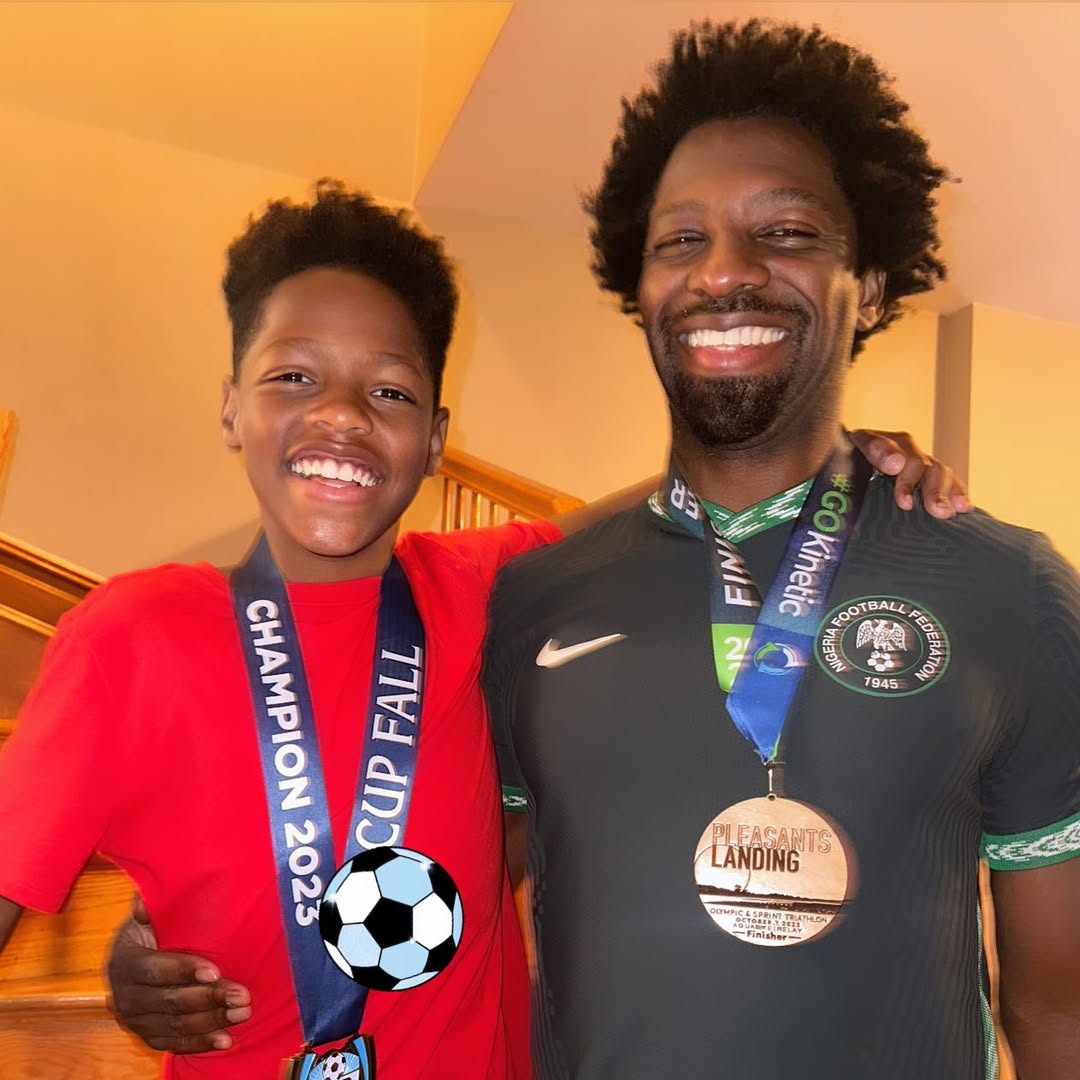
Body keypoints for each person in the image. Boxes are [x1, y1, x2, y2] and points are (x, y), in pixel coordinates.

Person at [0, 179, 955, 1077]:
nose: (340, 416)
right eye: (293, 376)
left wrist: (825, 460)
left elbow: (674, 509)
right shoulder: (128, 637)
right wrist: (139, 942)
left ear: (438, 439)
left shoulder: (485, 588)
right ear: (230, 408)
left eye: (389, 392)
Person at [483, 19, 1080, 1080]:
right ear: (642, 292)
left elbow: (1059, 1011)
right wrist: (188, 928)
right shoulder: (532, 595)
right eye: (680, 240)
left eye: (788, 231)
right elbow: (446, 901)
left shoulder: (1011, 589)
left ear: (876, 287)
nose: (727, 273)